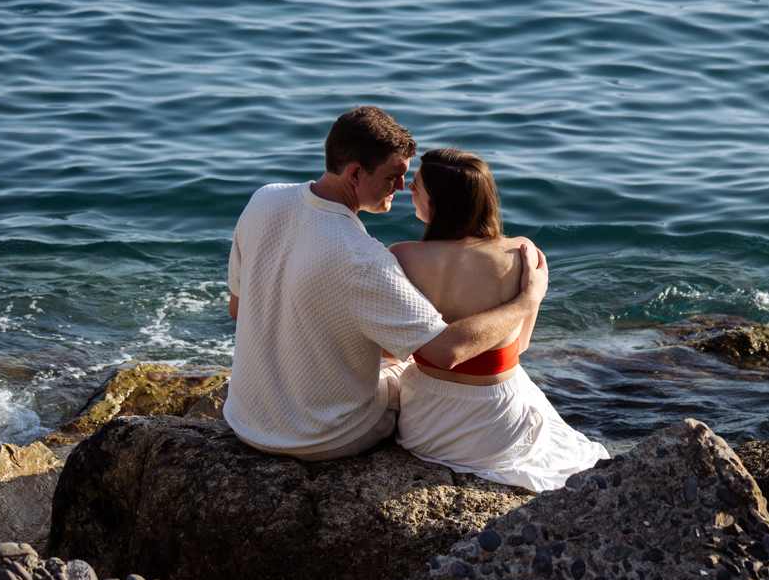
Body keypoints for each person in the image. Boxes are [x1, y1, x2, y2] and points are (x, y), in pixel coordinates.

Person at [223, 107, 551, 459]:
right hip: (324, 437)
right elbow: (447, 353)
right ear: (355, 173)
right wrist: (527, 300)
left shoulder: (265, 198)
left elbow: (238, 309)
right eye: (393, 176)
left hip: (245, 420)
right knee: (404, 369)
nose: (401, 187)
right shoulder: (364, 259)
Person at [389, 147, 608, 490]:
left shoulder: (400, 257)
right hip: (499, 432)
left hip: (425, 427)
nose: (408, 188)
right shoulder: (522, 252)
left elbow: (390, 348)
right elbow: (520, 345)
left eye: (417, 184)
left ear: (441, 201)